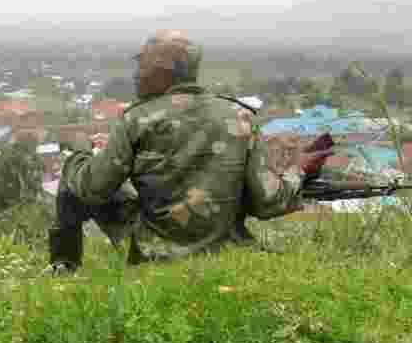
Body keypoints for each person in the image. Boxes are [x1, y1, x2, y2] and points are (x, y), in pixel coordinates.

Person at [53, 30, 333, 267]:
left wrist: (79, 154)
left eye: (142, 66)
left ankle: (63, 267)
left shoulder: (137, 119)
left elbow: (94, 188)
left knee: (73, 170)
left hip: (156, 253)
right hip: (225, 249)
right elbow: (267, 201)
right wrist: (298, 173)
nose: (136, 75)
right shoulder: (239, 117)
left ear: (163, 72)